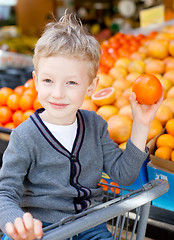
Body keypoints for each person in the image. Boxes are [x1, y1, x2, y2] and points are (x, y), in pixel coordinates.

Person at [0, 12, 163, 240]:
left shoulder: (95, 126)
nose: (58, 93)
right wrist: (15, 223)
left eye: (71, 83)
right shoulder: (24, 136)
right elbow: (5, 192)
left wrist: (141, 124)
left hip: (90, 227)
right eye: (48, 81)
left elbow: (124, 175)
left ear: (91, 86)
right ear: (35, 81)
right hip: (41, 230)